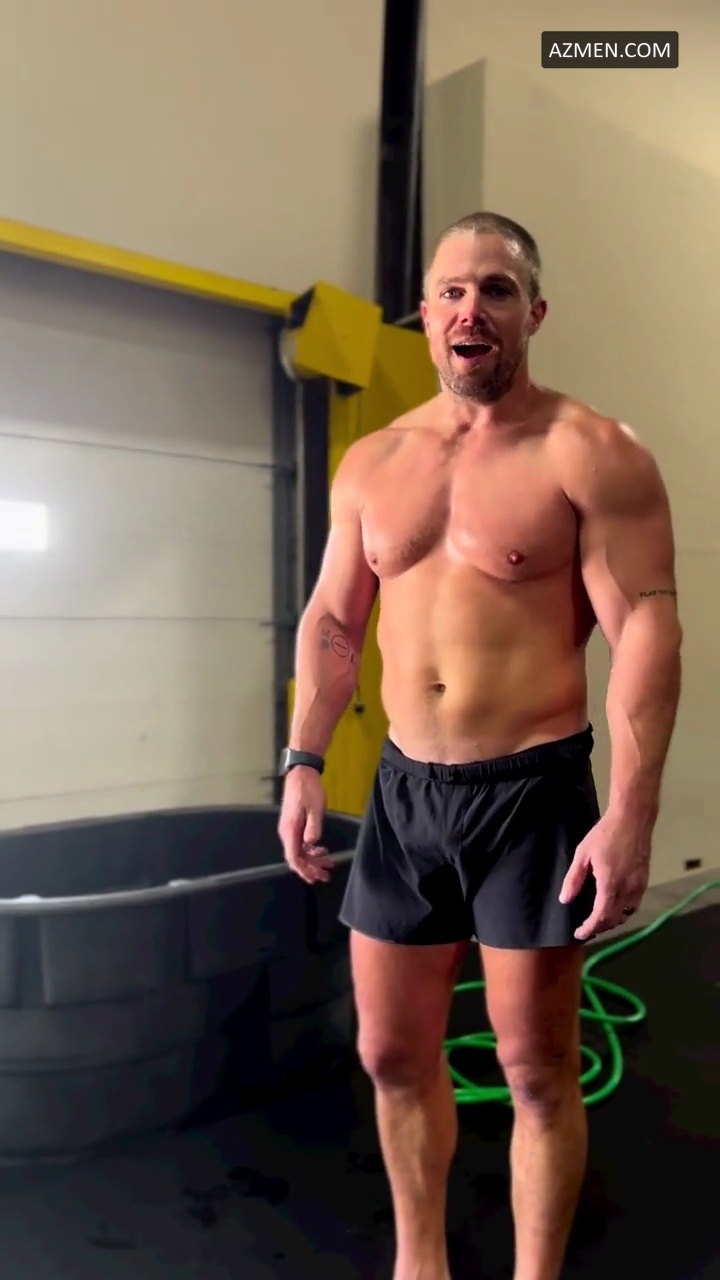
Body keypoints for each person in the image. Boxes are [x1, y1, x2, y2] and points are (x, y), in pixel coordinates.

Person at [277, 210, 682, 1280]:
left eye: (496, 289)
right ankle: (422, 1262)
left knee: (537, 1069)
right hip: (406, 792)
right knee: (389, 1052)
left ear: (533, 313)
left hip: (532, 796)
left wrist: (631, 811)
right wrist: (304, 758)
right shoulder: (374, 462)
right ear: (425, 314)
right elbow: (333, 621)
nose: (472, 308)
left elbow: (646, 627)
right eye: (452, 291)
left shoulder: (590, 451)